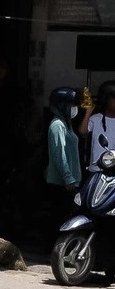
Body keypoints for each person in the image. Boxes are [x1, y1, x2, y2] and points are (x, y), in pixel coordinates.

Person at [47, 86, 84, 237]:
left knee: (64, 217)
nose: (74, 109)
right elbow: (59, 153)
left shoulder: (66, 123)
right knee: (59, 219)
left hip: (69, 182)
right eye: (71, 105)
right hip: (62, 183)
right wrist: (67, 176)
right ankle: (53, 251)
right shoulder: (57, 125)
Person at [81, 82, 115, 170]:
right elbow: (82, 132)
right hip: (97, 170)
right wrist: (88, 112)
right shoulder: (96, 119)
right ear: (106, 100)